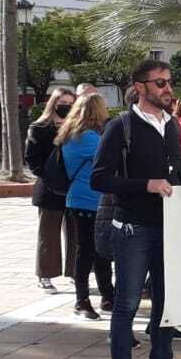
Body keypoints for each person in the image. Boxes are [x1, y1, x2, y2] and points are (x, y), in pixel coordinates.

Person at [90, 58, 181, 359]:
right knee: (127, 305)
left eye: (170, 81)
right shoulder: (121, 127)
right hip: (133, 229)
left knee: (167, 304)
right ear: (140, 88)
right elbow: (99, 179)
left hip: (168, 228)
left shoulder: (172, 125)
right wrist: (145, 185)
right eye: (160, 83)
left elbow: (176, 173)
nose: (168, 88)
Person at [58, 94, 115, 320]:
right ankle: (82, 300)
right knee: (87, 252)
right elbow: (112, 155)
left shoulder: (74, 135)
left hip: (88, 200)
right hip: (87, 200)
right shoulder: (86, 138)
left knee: (99, 250)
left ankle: (107, 295)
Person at [25, 88, 77, 294]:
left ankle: (75, 273)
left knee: (76, 234)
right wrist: (49, 177)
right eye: (62, 101)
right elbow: (32, 159)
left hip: (73, 188)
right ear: (53, 102)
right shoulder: (39, 127)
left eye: (70, 102)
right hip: (49, 190)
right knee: (48, 234)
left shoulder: (77, 128)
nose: (66, 105)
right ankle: (45, 274)